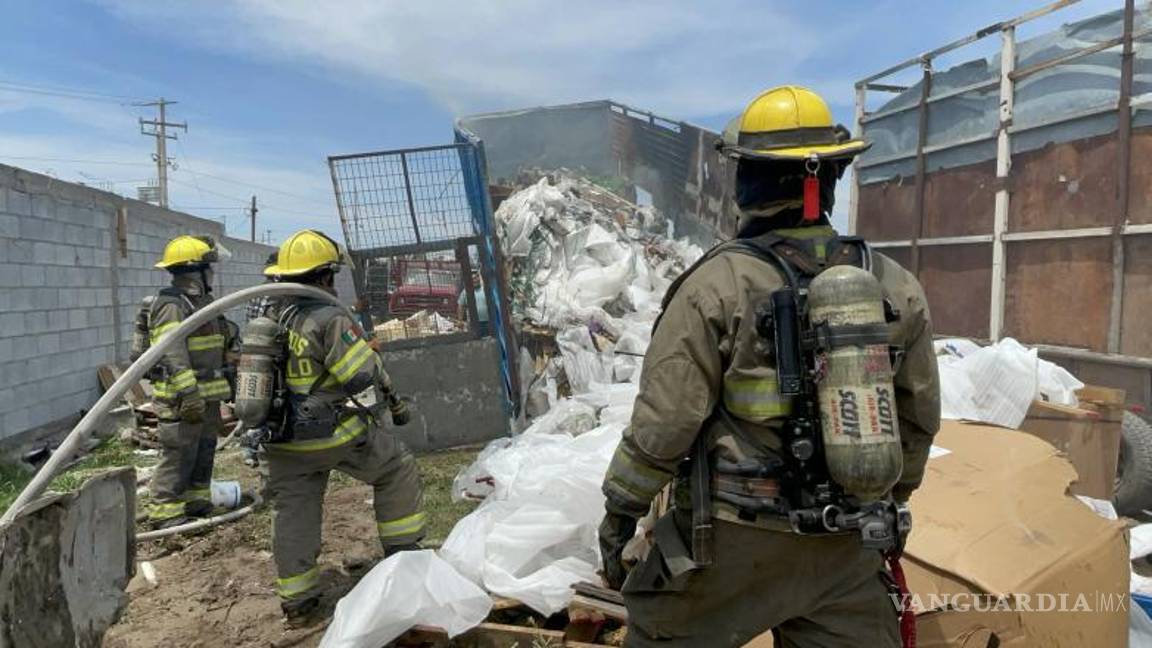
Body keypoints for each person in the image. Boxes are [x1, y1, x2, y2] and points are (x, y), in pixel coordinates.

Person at [598, 86, 941, 647]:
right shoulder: (894, 283)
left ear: (748, 181)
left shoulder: (716, 285)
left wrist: (620, 511)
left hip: (731, 544)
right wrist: (890, 502)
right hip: (847, 546)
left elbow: (665, 423)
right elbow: (919, 416)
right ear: (829, 180)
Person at [255, 229, 425, 625]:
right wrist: (366, 354)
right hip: (332, 435)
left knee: (293, 511)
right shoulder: (329, 317)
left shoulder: (269, 316)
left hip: (281, 442)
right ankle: (405, 558)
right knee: (396, 467)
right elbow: (359, 378)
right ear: (326, 275)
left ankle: (299, 603)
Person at [148, 235, 237, 529]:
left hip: (206, 396)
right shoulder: (171, 304)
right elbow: (171, 350)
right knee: (178, 455)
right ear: (194, 271)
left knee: (203, 450)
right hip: (181, 398)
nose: (212, 272)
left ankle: (196, 503)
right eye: (208, 267)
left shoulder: (202, 302)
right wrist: (188, 393)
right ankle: (166, 515)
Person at [457, 271, 489, 336]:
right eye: (473, 279)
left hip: (488, 322)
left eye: (476, 278)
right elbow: (460, 306)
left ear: (479, 278)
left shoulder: (486, 289)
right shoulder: (466, 292)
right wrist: (460, 320)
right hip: (473, 323)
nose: (475, 280)